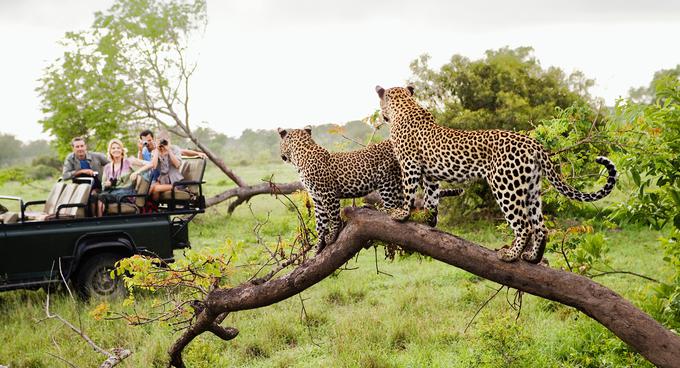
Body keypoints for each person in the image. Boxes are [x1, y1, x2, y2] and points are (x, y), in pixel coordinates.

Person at [98, 139, 149, 216]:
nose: (116, 150)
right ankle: (100, 221)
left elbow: (149, 165)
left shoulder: (129, 162)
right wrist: (107, 184)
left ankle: (101, 222)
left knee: (103, 197)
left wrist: (136, 172)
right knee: (98, 197)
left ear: (122, 150)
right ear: (110, 151)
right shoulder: (107, 167)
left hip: (126, 192)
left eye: (118, 148)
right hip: (112, 191)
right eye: (113, 148)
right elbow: (103, 186)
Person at [149, 136, 184, 202]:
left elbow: (177, 165)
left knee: (155, 188)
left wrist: (169, 150)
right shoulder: (155, 152)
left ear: (169, 140)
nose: (162, 143)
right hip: (162, 181)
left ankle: (148, 208)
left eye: (164, 141)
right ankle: (153, 209)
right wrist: (157, 150)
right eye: (160, 141)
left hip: (176, 182)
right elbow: (154, 166)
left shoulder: (174, 149)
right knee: (150, 187)